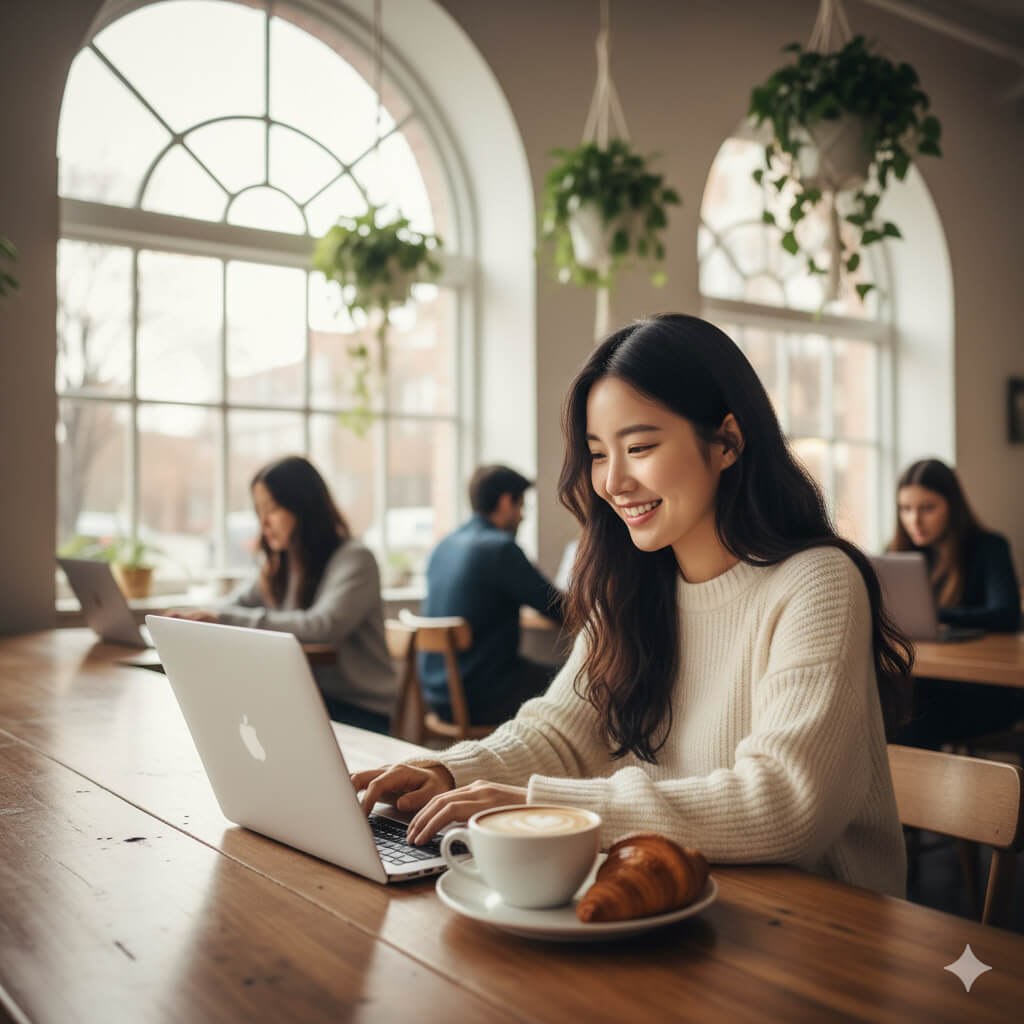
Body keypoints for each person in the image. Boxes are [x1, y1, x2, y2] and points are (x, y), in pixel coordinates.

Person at [353, 314, 913, 898]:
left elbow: (784, 801)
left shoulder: (816, 583)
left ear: (726, 442)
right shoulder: (634, 585)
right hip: (674, 895)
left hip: (822, 926)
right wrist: (449, 772)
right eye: (598, 454)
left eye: (640, 447)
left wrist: (542, 806)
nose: (613, 481)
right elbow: (561, 735)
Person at [167, 455, 397, 733]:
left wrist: (221, 618)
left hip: (358, 709)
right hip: (307, 702)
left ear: (304, 508)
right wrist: (195, 617)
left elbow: (323, 625)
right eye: (258, 511)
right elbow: (233, 605)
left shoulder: (355, 558)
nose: (263, 523)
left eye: (272, 509)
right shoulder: (282, 564)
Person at [889, 458, 1022, 748]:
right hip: (925, 682)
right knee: (886, 706)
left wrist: (935, 616)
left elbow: (1006, 614)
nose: (914, 520)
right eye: (906, 509)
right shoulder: (897, 554)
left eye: (927, 508)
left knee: (910, 716)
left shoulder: (989, 547)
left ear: (952, 505)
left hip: (983, 691)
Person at [418, 465, 565, 725]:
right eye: (522, 506)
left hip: (438, 695)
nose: (522, 517)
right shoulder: (501, 549)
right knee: (577, 682)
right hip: (482, 699)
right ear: (506, 501)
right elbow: (558, 608)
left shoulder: (445, 545)